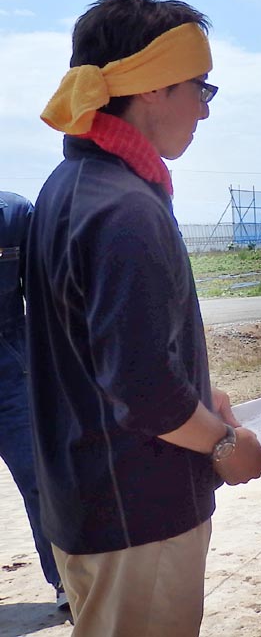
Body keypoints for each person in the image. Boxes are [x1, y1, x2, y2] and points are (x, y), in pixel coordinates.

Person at [24, 0, 261, 637]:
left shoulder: (71, 187)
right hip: (135, 513)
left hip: (93, 500)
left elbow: (101, 351)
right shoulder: (125, 210)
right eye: (201, 88)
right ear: (153, 87)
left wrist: (202, 394)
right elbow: (141, 388)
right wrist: (224, 444)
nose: (205, 111)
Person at [0, 190, 67, 610]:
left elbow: (44, 300)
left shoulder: (15, 215)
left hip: (12, 373)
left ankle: (66, 579)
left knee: (42, 479)